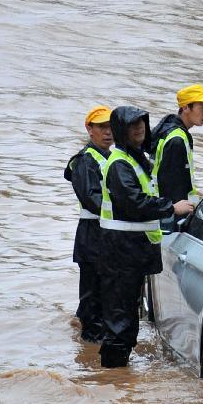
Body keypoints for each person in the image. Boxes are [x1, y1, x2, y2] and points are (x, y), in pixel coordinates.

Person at [98, 106, 194, 367]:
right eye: (132, 125)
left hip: (132, 249)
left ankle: (116, 380)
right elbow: (136, 203)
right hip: (120, 250)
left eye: (142, 123)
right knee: (120, 320)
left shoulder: (135, 160)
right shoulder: (119, 164)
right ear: (121, 131)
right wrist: (171, 208)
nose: (139, 128)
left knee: (127, 315)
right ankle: (113, 382)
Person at [64, 105, 113, 343]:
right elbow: (92, 200)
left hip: (106, 232)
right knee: (93, 293)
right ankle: (90, 356)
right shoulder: (85, 161)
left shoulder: (111, 157)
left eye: (111, 126)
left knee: (101, 293)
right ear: (89, 129)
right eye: (102, 127)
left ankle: (88, 335)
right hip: (92, 234)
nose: (108, 132)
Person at [148, 83, 203, 205]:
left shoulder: (169, 130)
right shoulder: (177, 140)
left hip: (162, 207)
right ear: (186, 108)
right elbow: (175, 185)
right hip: (171, 212)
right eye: (202, 108)